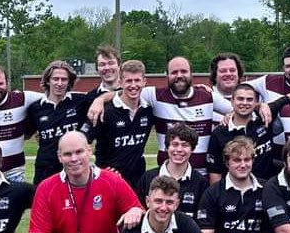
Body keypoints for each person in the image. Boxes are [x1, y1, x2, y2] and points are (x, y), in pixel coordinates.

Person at [91, 60, 155, 190]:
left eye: (137, 80)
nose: (133, 85)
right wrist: (101, 170)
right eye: (128, 81)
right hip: (108, 180)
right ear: (120, 82)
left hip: (137, 180)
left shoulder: (148, 110)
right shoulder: (105, 111)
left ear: (144, 81)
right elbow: (83, 141)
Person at [27, 61, 91, 184]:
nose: (60, 83)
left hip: (73, 168)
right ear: (48, 80)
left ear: (69, 82)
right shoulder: (35, 108)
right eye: (55, 79)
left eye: (64, 79)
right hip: (45, 169)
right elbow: (27, 133)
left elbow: (107, 95)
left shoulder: (81, 102)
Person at [207, 83, 278, 182]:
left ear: (256, 102)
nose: (244, 103)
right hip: (234, 189)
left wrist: (263, 105)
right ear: (232, 101)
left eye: (249, 99)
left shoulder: (265, 117)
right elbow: (215, 171)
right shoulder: (219, 133)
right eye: (240, 99)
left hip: (266, 187)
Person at [137, 123, 209, 214]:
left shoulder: (201, 182)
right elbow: (138, 210)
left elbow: (202, 217)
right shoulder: (148, 178)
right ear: (167, 147)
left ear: (192, 149)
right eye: (175, 144)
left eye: (185, 145)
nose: (179, 149)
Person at [209, 52, 247, 122]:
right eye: (223, 71)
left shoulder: (253, 97)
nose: (228, 74)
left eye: (232, 70)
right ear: (214, 75)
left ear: (239, 73)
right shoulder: (205, 98)